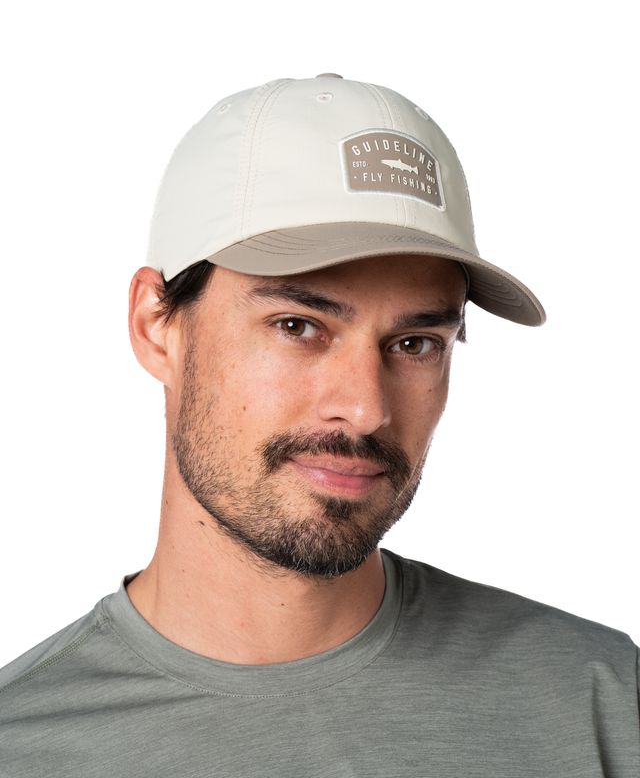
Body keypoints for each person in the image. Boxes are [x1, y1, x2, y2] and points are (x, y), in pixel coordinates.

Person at [1, 73, 637, 777]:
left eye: (415, 343)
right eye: (298, 326)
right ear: (157, 326)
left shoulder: (601, 703)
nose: (365, 409)